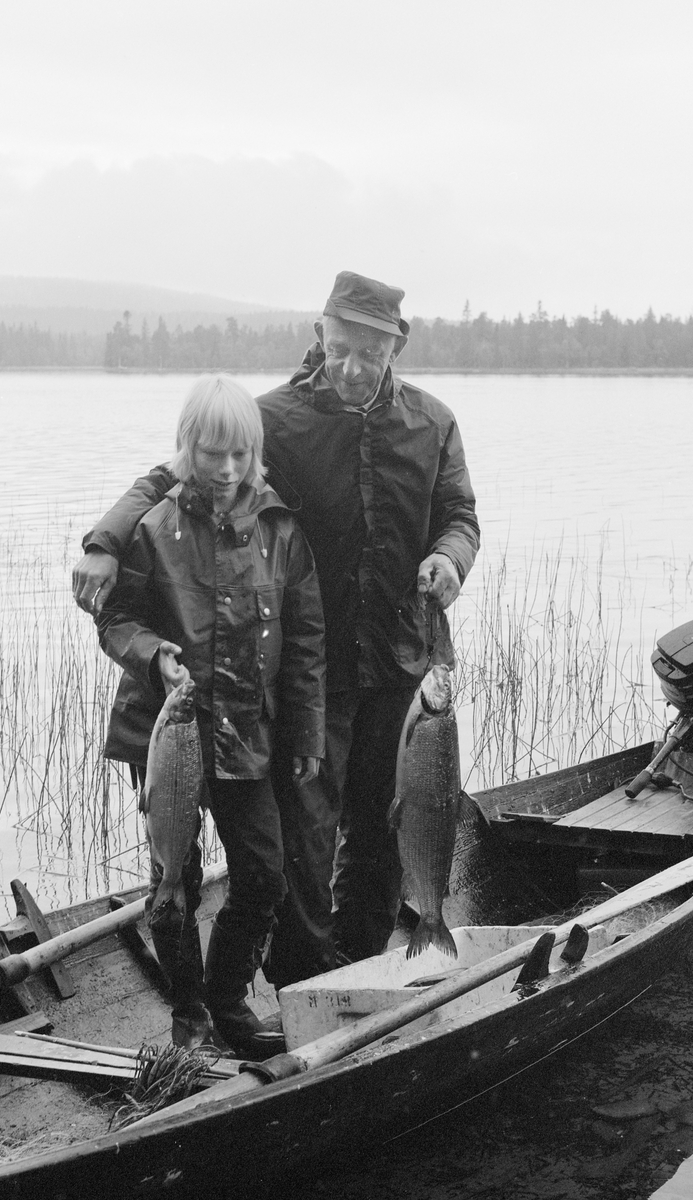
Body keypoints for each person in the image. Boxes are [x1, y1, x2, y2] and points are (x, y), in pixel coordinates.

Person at [77, 271, 478, 976]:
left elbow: (459, 517)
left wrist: (449, 557)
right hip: (308, 675)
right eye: (341, 348)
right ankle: (299, 973)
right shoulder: (275, 420)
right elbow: (173, 477)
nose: (353, 368)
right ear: (319, 336)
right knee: (306, 837)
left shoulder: (433, 424)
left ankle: (361, 965)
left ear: (397, 346)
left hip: (398, 665)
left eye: (371, 353)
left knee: (384, 833)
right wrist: (104, 543)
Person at [91, 373, 324, 1060]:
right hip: (169, 735)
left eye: (238, 456)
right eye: (210, 453)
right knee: (174, 882)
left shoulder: (280, 528)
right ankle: (187, 1011)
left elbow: (307, 638)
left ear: (254, 454)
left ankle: (226, 999)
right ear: (184, 449)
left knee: (263, 876)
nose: (224, 470)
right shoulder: (153, 526)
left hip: (250, 737)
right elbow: (114, 619)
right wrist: (152, 654)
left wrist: (306, 730)